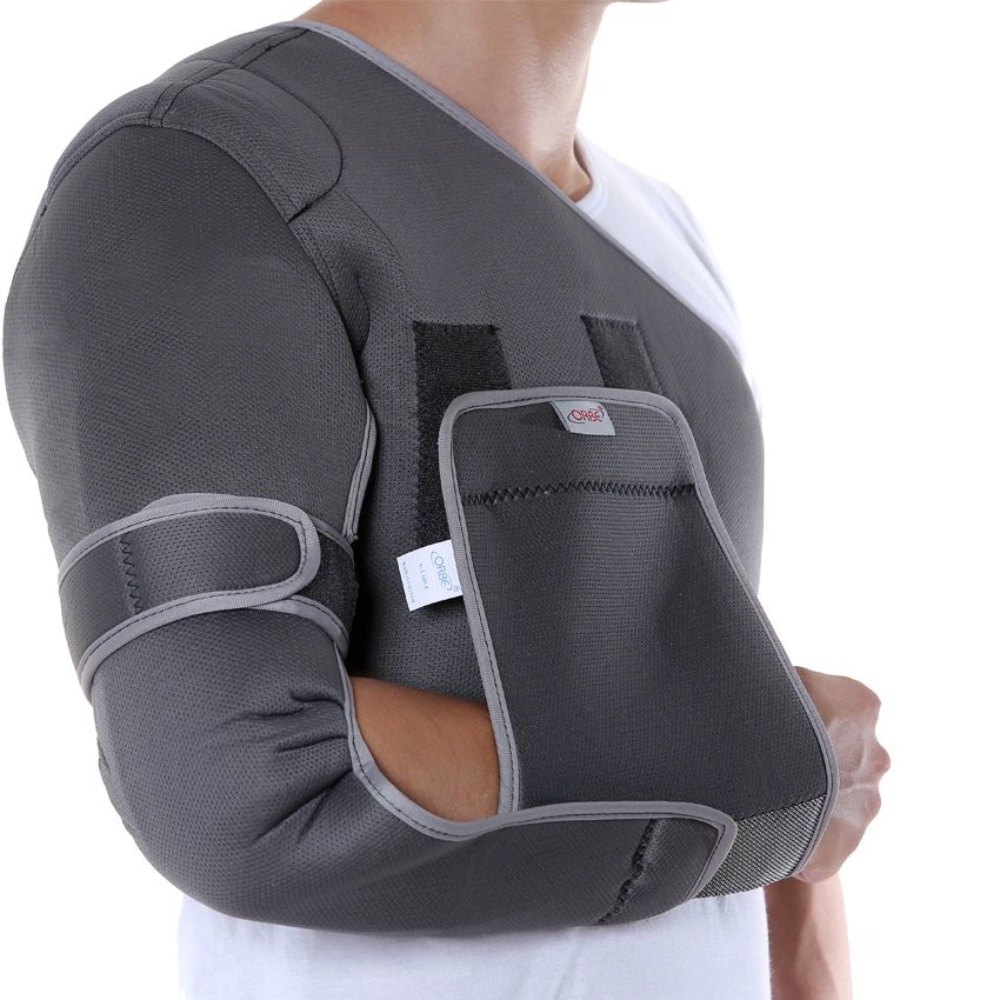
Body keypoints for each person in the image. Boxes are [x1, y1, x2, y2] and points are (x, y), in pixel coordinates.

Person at [3, 2, 889, 998]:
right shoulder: (195, 174)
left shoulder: (664, 232)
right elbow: (236, 776)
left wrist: (787, 823)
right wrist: (772, 780)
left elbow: (738, 694)